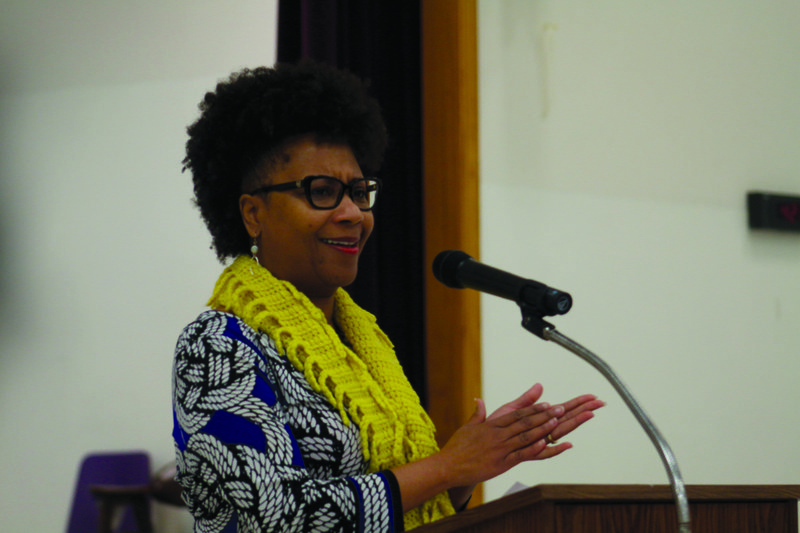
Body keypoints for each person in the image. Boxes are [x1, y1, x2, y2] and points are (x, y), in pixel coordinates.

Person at [172, 61, 604, 533]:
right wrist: (447, 467)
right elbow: (274, 519)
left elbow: (394, 510)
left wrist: (466, 474)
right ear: (253, 214)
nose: (353, 214)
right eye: (321, 192)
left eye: (359, 192)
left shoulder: (365, 344)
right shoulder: (217, 345)